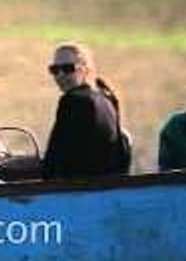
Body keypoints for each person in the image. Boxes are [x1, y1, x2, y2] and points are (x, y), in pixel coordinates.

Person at [42, 42, 129, 179]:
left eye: (68, 68)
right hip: (107, 185)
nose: (60, 75)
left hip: (80, 189)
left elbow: (54, 159)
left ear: (85, 70)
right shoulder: (107, 98)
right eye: (54, 70)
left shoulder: (73, 100)